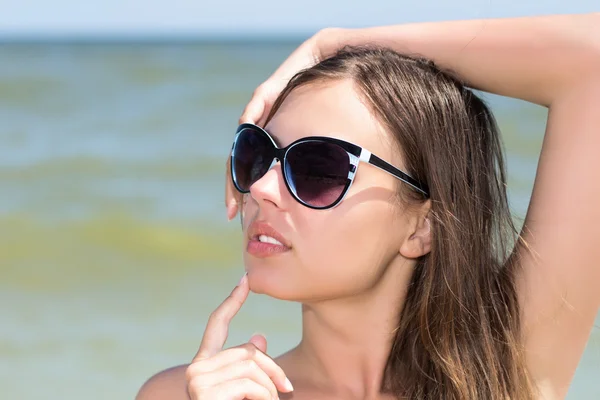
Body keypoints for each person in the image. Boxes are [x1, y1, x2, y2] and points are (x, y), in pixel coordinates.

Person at [137, 13, 600, 400]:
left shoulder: (504, 369)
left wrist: (334, 43)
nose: (261, 187)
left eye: (317, 168)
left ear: (423, 227)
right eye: (257, 154)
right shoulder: (182, 395)